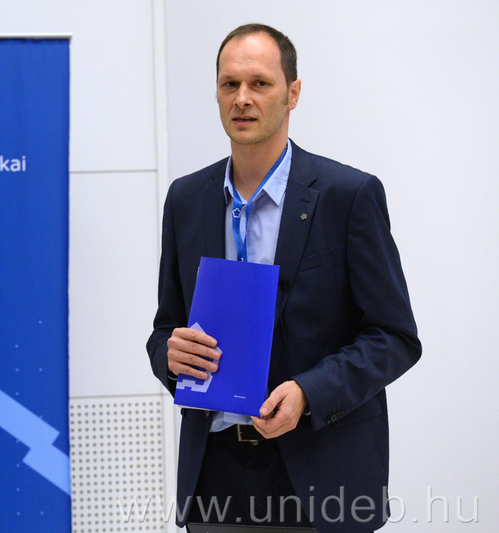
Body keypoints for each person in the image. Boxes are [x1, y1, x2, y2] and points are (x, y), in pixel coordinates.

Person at [146, 23, 421, 533]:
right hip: (215, 475)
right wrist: (169, 355)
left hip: (322, 474)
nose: (242, 98)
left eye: (260, 83)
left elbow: (395, 337)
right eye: (230, 84)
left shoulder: (347, 196)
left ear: (293, 93)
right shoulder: (186, 199)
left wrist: (309, 393)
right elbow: (165, 328)